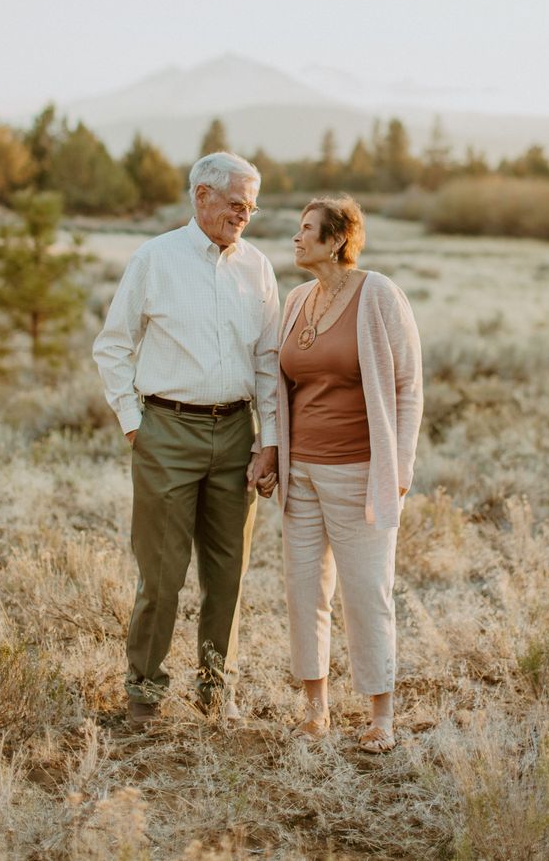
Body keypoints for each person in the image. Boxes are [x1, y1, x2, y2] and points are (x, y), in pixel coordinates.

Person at [93, 152, 279, 730]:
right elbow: (113, 345)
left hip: (237, 433)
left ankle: (214, 692)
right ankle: (144, 697)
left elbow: (269, 362)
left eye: (251, 204)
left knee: (228, 574)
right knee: (163, 574)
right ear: (201, 197)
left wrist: (268, 440)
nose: (244, 214)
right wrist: (133, 423)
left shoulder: (258, 267)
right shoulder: (155, 259)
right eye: (234, 203)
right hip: (166, 431)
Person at [276, 196, 423, 752]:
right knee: (304, 590)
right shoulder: (295, 299)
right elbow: (281, 384)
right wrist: (272, 451)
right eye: (298, 229)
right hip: (301, 475)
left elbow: (409, 385)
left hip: (361, 471)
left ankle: (380, 715)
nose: (297, 238)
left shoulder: (377, 294)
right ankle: (316, 708)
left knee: (366, 592)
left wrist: (400, 467)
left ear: (337, 239)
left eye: (308, 230)